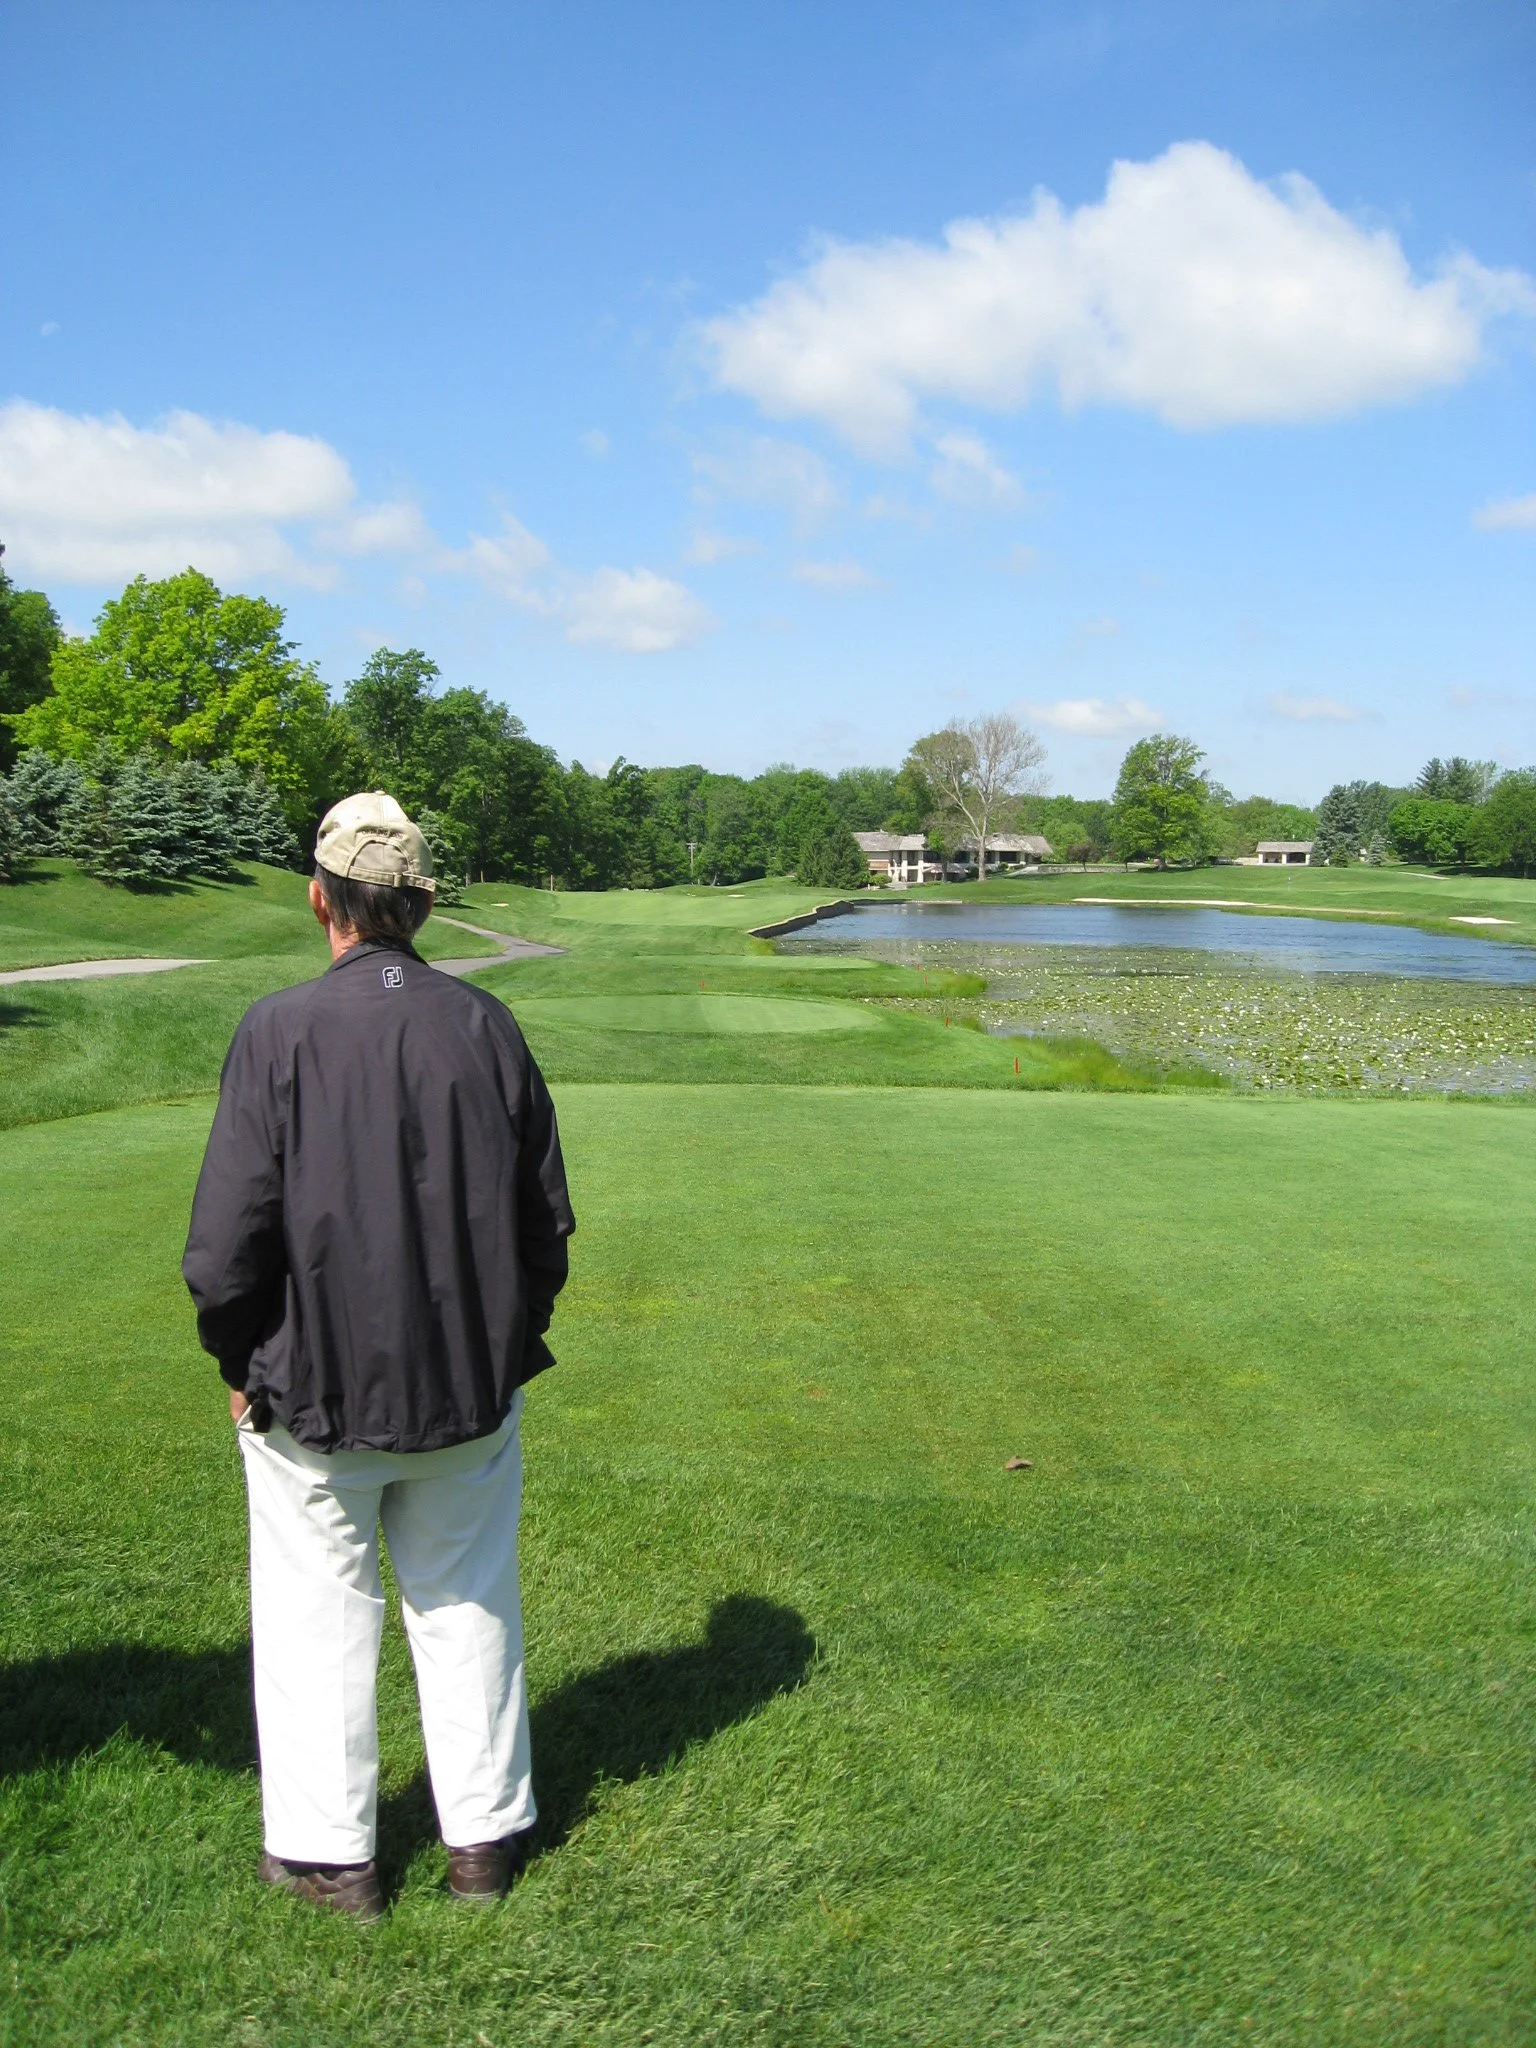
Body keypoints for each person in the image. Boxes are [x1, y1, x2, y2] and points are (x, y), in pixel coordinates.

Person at [183, 791, 574, 1920]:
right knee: (469, 1605)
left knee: (317, 1616)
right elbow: (544, 1225)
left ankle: (331, 1859)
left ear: (321, 899)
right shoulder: (485, 1023)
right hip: (464, 1388)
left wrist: (234, 1354)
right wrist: (508, 1343)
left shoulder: (278, 1027)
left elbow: (226, 1245)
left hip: (311, 1392)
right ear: (424, 904)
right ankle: (483, 1845)